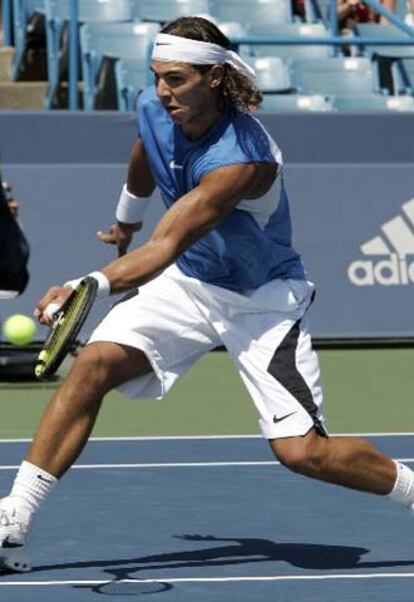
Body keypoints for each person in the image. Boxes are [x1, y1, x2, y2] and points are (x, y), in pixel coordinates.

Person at [0, 16, 413, 574]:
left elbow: (169, 241)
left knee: (303, 454)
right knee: (94, 363)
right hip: (191, 284)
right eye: (157, 78)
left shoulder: (243, 158)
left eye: (177, 80)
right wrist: (125, 221)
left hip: (260, 300)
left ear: (215, 78)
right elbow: (146, 151)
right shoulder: (157, 108)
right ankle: (15, 519)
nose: (163, 92)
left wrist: (90, 284)